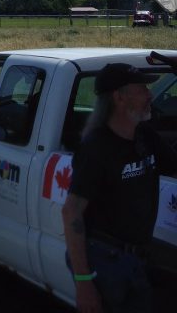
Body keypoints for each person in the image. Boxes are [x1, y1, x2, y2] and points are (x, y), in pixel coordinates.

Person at [61, 62, 177, 312]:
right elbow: (71, 212)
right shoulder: (96, 148)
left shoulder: (144, 136)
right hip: (107, 264)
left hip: (139, 258)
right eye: (142, 89)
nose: (150, 95)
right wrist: (84, 283)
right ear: (119, 97)